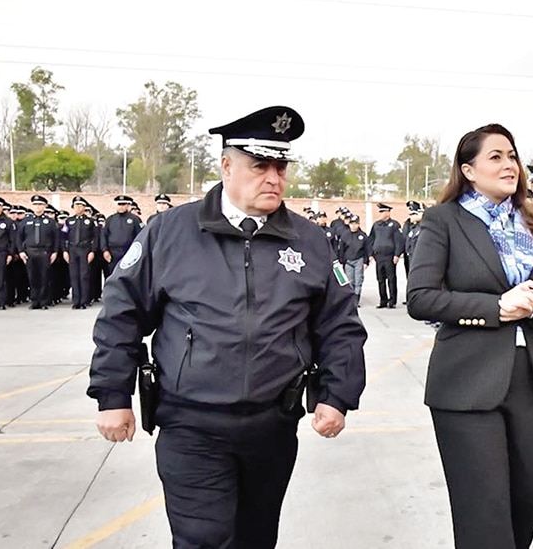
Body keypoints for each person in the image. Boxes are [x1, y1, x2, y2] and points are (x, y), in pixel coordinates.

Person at [87, 105, 367, 548]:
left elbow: (340, 325)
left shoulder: (309, 240)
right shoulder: (171, 232)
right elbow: (122, 313)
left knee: (256, 538)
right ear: (226, 166)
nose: (274, 177)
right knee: (205, 538)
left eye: (281, 167)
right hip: (191, 423)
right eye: (260, 166)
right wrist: (112, 394)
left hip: (272, 425)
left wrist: (337, 396)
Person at [406, 123, 533, 549]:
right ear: (468, 170)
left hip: (529, 379)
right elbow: (421, 298)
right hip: (467, 381)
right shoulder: (444, 220)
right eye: (496, 157)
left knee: (531, 492)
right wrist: (496, 308)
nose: (509, 165)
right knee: (483, 509)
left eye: (512, 156)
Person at [16, 195, 60, 309]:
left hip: (45, 252)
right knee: (32, 277)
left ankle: (44, 301)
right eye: (35, 204)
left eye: (40, 204)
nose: (37, 207)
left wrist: (55, 252)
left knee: (44, 277)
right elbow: (19, 238)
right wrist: (21, 251)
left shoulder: (50, 222)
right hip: (30, 252)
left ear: (44, 206)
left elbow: (56, 238)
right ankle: (35, 301)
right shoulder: (26, 221)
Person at [368, 203, 404, 308]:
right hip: (378, 256)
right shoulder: (376, 225)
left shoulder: (394, 225)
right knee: (380, 279)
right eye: (381, 212)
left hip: (390, 256)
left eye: (383, 211)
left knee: (391, 279)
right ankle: (383, 300)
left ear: (388, 212)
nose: (381, 214)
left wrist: (397, 254)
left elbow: (399, 241)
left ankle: (392, 301)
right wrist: (370, 254)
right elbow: (371, 239)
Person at [102, 195, 144, 271]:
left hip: (128, 252)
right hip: (112, 253)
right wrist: (105, 250)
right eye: (119, 204)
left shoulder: (135, 219)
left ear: (128, 205)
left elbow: (140, 236)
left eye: (123, 204)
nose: (121, 207)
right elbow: (103, 236)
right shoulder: (110, 219)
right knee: (112, 275)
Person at [341, 214, 371, 304]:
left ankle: (356, 299)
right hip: (348, 261)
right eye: (352, 224)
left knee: (358, 281)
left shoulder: (363, 235)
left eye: (355, 224)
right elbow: (341, 249)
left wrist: (366, 262)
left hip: (359, 260)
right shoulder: (345, 235)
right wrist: (342, 261)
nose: (353, 226)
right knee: (350, 281)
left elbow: (367, 249)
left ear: (358, 224)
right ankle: (350, 298)